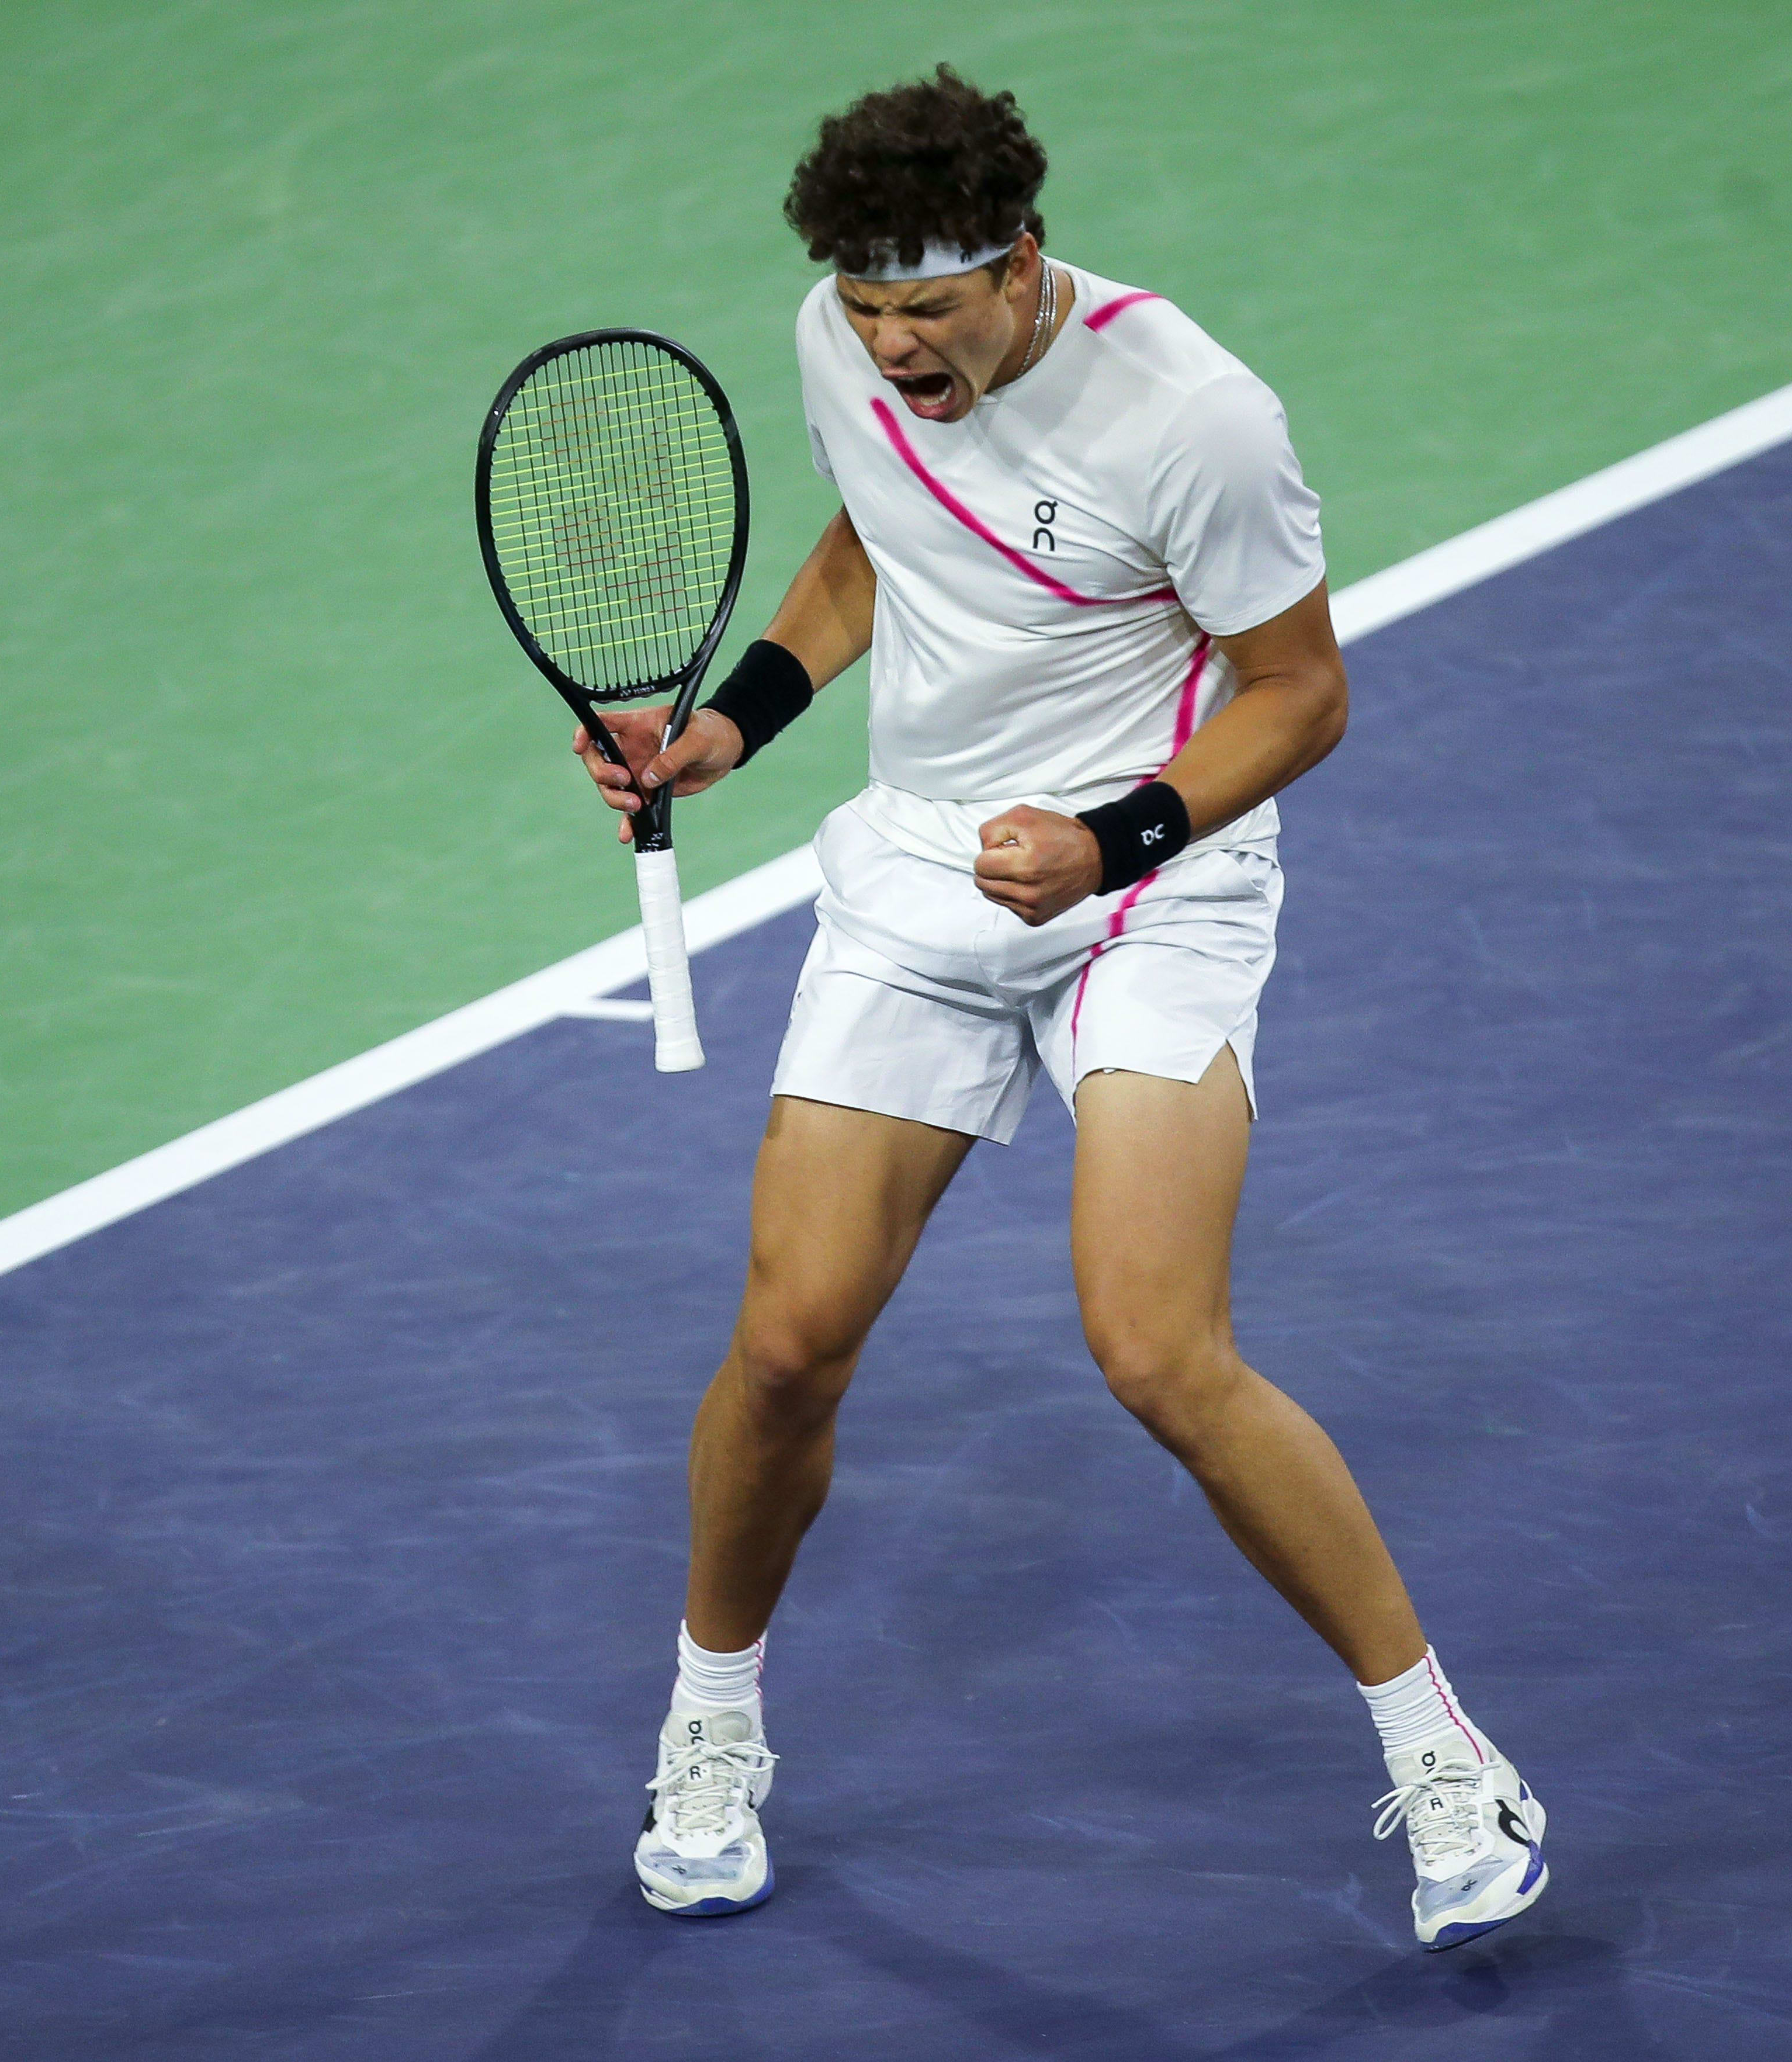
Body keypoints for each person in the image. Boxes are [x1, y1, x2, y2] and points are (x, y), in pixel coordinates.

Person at [575, 65, 1549, 1950]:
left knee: (1156, 1351)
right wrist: (724, 733)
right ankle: (709, 1722)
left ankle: (1443, 1753)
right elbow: (869, 548)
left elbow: (1300, 692)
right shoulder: (842, 337)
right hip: (925, 874)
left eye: (927, 309)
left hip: (1149, 891)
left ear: (1019, 265)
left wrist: (1114, 838)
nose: (890, 346)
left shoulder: (1196, 415)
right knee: (787, 1343)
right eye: (863, 311)